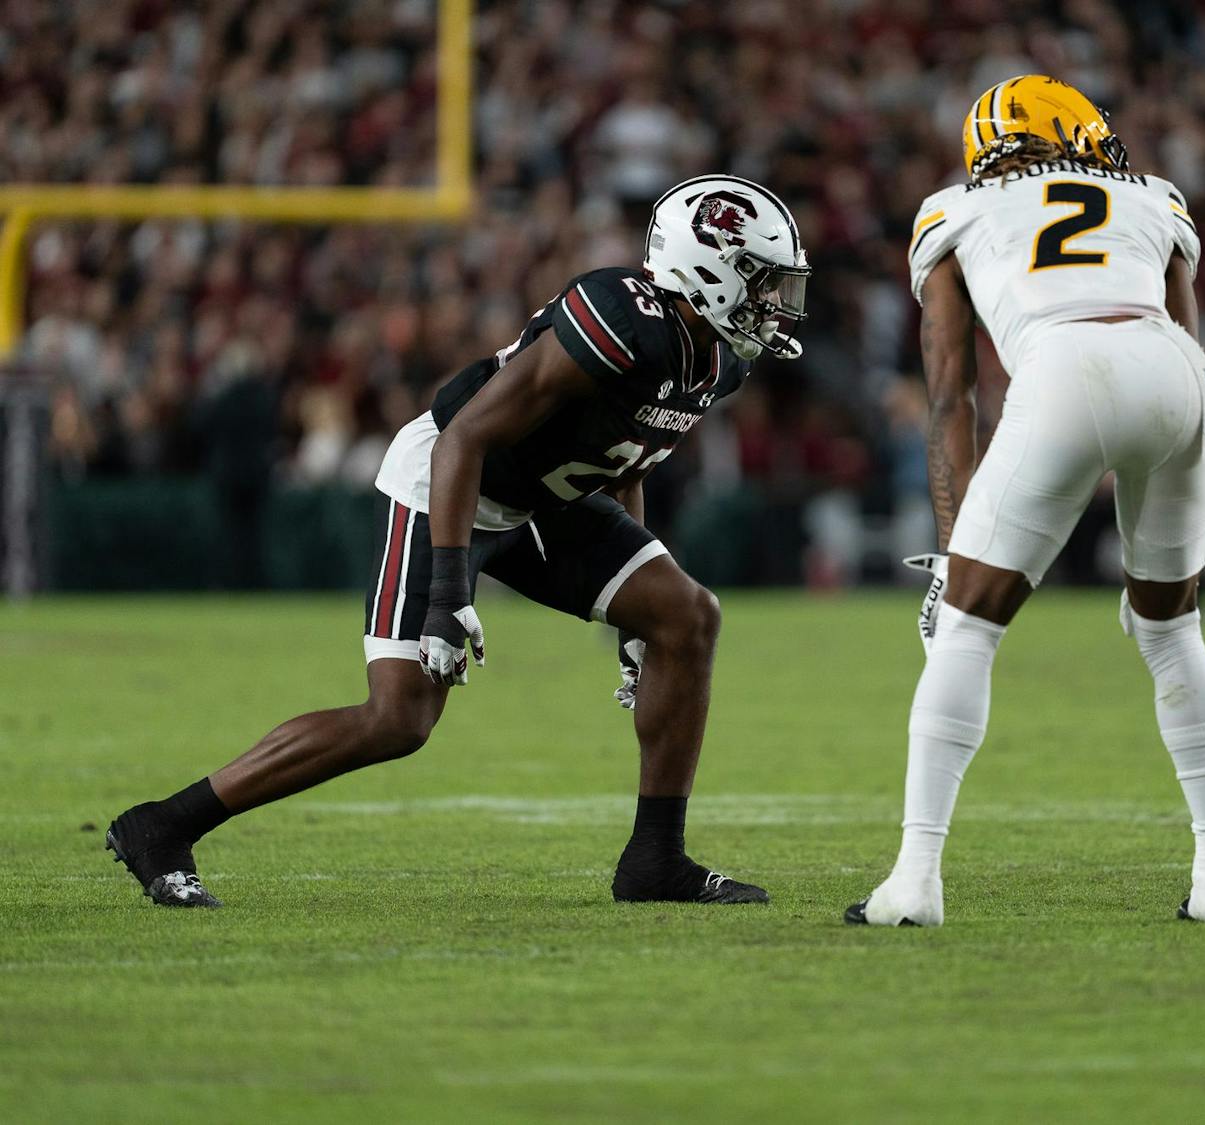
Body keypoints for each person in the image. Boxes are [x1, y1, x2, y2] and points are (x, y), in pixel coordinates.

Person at [105, 175, 811, 909]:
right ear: (705, 267)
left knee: (686, 617)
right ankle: (164, 824)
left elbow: (627, 461)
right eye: (761, 280)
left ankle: (655, 859)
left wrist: (639, 612)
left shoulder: (717, 361)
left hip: (545, 497)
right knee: (400, 717)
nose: (773, 301)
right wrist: (448, 592)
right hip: (452, 481)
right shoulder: (618, 315)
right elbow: (465, 435)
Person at [847, 76, 1205, 927]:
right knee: (1173, 630)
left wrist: (954, 552)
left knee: (968, 627)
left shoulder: (953, 212)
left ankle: (915, 881)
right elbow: (1186, 340)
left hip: (1064, 368)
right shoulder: (1155, 198)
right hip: (1175, 371)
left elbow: (950, 395)